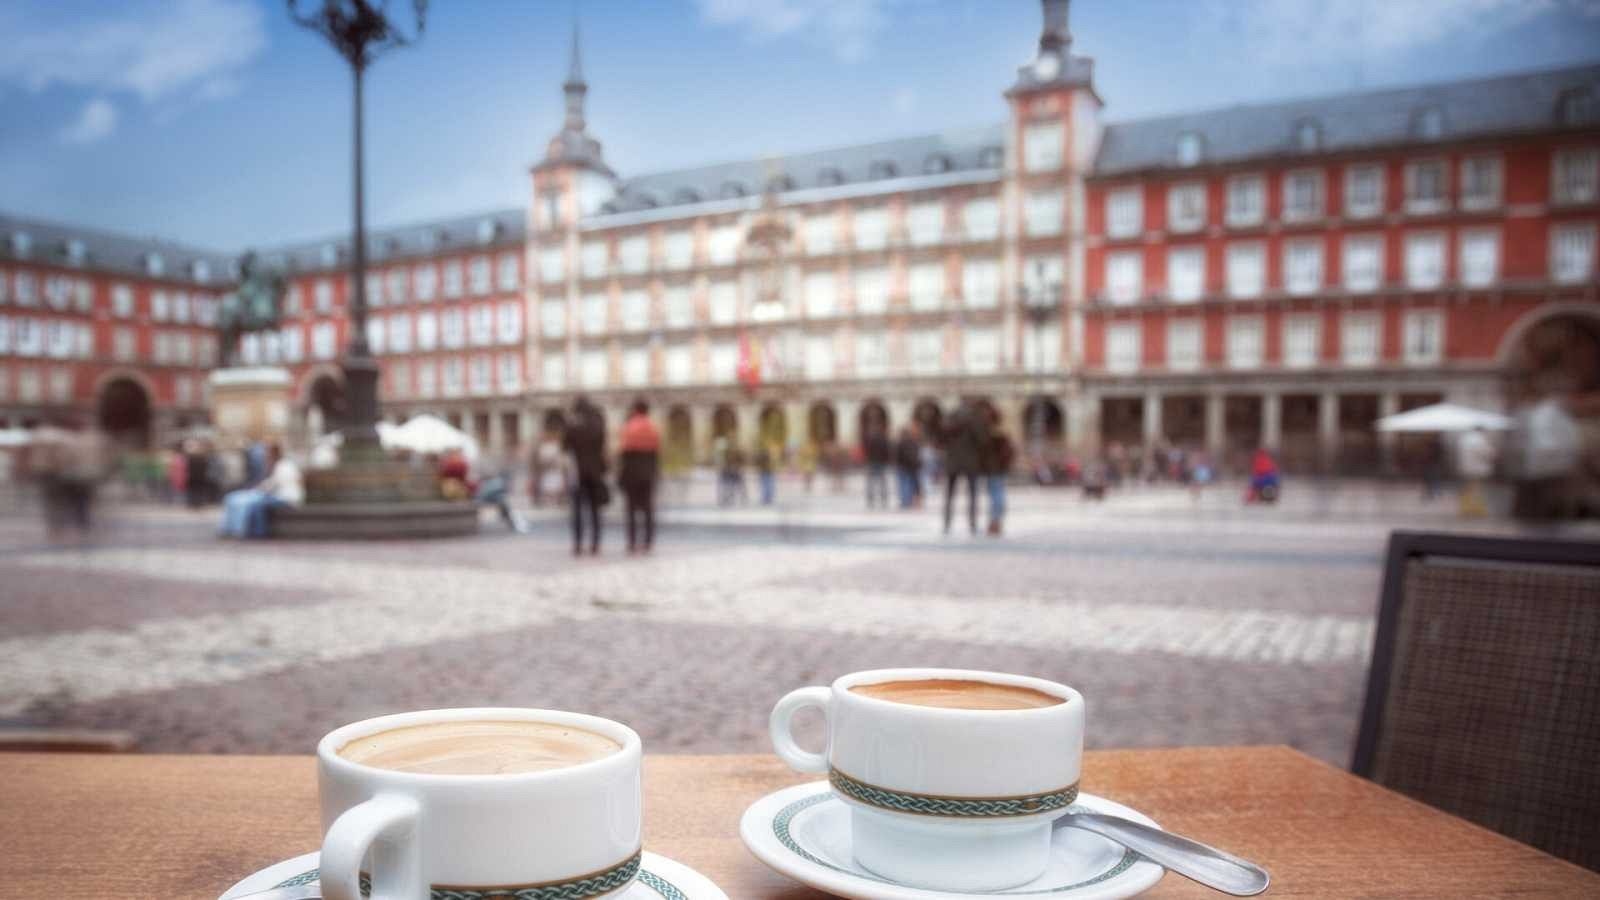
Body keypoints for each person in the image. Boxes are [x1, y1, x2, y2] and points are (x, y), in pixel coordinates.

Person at [219, 443, 303, 538]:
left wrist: (260, 488)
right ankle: (248, 530)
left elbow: (274, 483)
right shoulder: (282, 464)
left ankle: (259, 532)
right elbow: (272, 482)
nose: (266, 457)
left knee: (256, 505)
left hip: (287, 498)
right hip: (284, 496)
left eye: (267, 454)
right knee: (256, 504)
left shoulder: (283, 466)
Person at [563, 397, 608, 555]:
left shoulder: (573, 422)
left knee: (577, 510)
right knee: (595, 510)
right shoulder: (598, 420)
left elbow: (565, 446)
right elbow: (603, 443)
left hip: (578, 472)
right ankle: (595, 543)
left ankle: (578, 544)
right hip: (595, 471)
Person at [617, 399, 661, 554]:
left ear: (635, 409)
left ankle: (632, 542)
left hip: (632, 473)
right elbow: (656, 454)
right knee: (648, 509)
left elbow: (623, 453)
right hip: (648, 473)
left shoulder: (629, 427)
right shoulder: (653, 428)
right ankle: (648, 541)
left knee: (630, 509)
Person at [942, 402, 988, 535]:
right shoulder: (974, 419)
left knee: (949, 495)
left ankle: (946, 523)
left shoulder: (949, 419)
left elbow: (942, 438)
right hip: (970, 461)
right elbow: (982, 440)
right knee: (973, 495)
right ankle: (972, 523)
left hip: (952, 461)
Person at [984, 412, 1015, 536]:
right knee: (998, 493)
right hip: (1000, 468)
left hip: (993, 468)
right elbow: (1010, 451)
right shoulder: (1003, 434)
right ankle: (996, 520)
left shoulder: (990, 435)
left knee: (995, 494)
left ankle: (995, 521)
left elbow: (984, 453)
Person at [1457, 426, 1496, 518]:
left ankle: (1465, 507)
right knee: (1477, 489)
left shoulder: (1464, 438)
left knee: (1468, 487)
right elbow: (1487, 453)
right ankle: (1476, 508)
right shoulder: (1480, 440)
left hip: (1465, 467)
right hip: (1478, 468)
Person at [863, 424, 891, 509]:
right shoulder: (883, 439)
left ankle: (870, 500)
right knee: (882, 482)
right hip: (881, 463)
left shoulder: (869, 439)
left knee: (871, 483)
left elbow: (866, 450)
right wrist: (886, 460)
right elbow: (887, 450)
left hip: (871, 462)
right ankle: (884, 499)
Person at [894, 424, 922, 509]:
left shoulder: (900, 443)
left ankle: (905, 501)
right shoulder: (914, 443)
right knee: (910, 484)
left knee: (904, 484)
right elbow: (916, 455)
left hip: (903, 466)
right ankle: (908, 501)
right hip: (911, 466)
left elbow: (897, 455)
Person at [754, 441, 776, 505]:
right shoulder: (763, 456)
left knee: (768, 486)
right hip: (765, 472)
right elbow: (759, 463)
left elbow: (772, 464)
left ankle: (768, 498)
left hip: (768, 472)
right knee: (766, 486)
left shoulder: (767, 457)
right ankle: (766, 498)